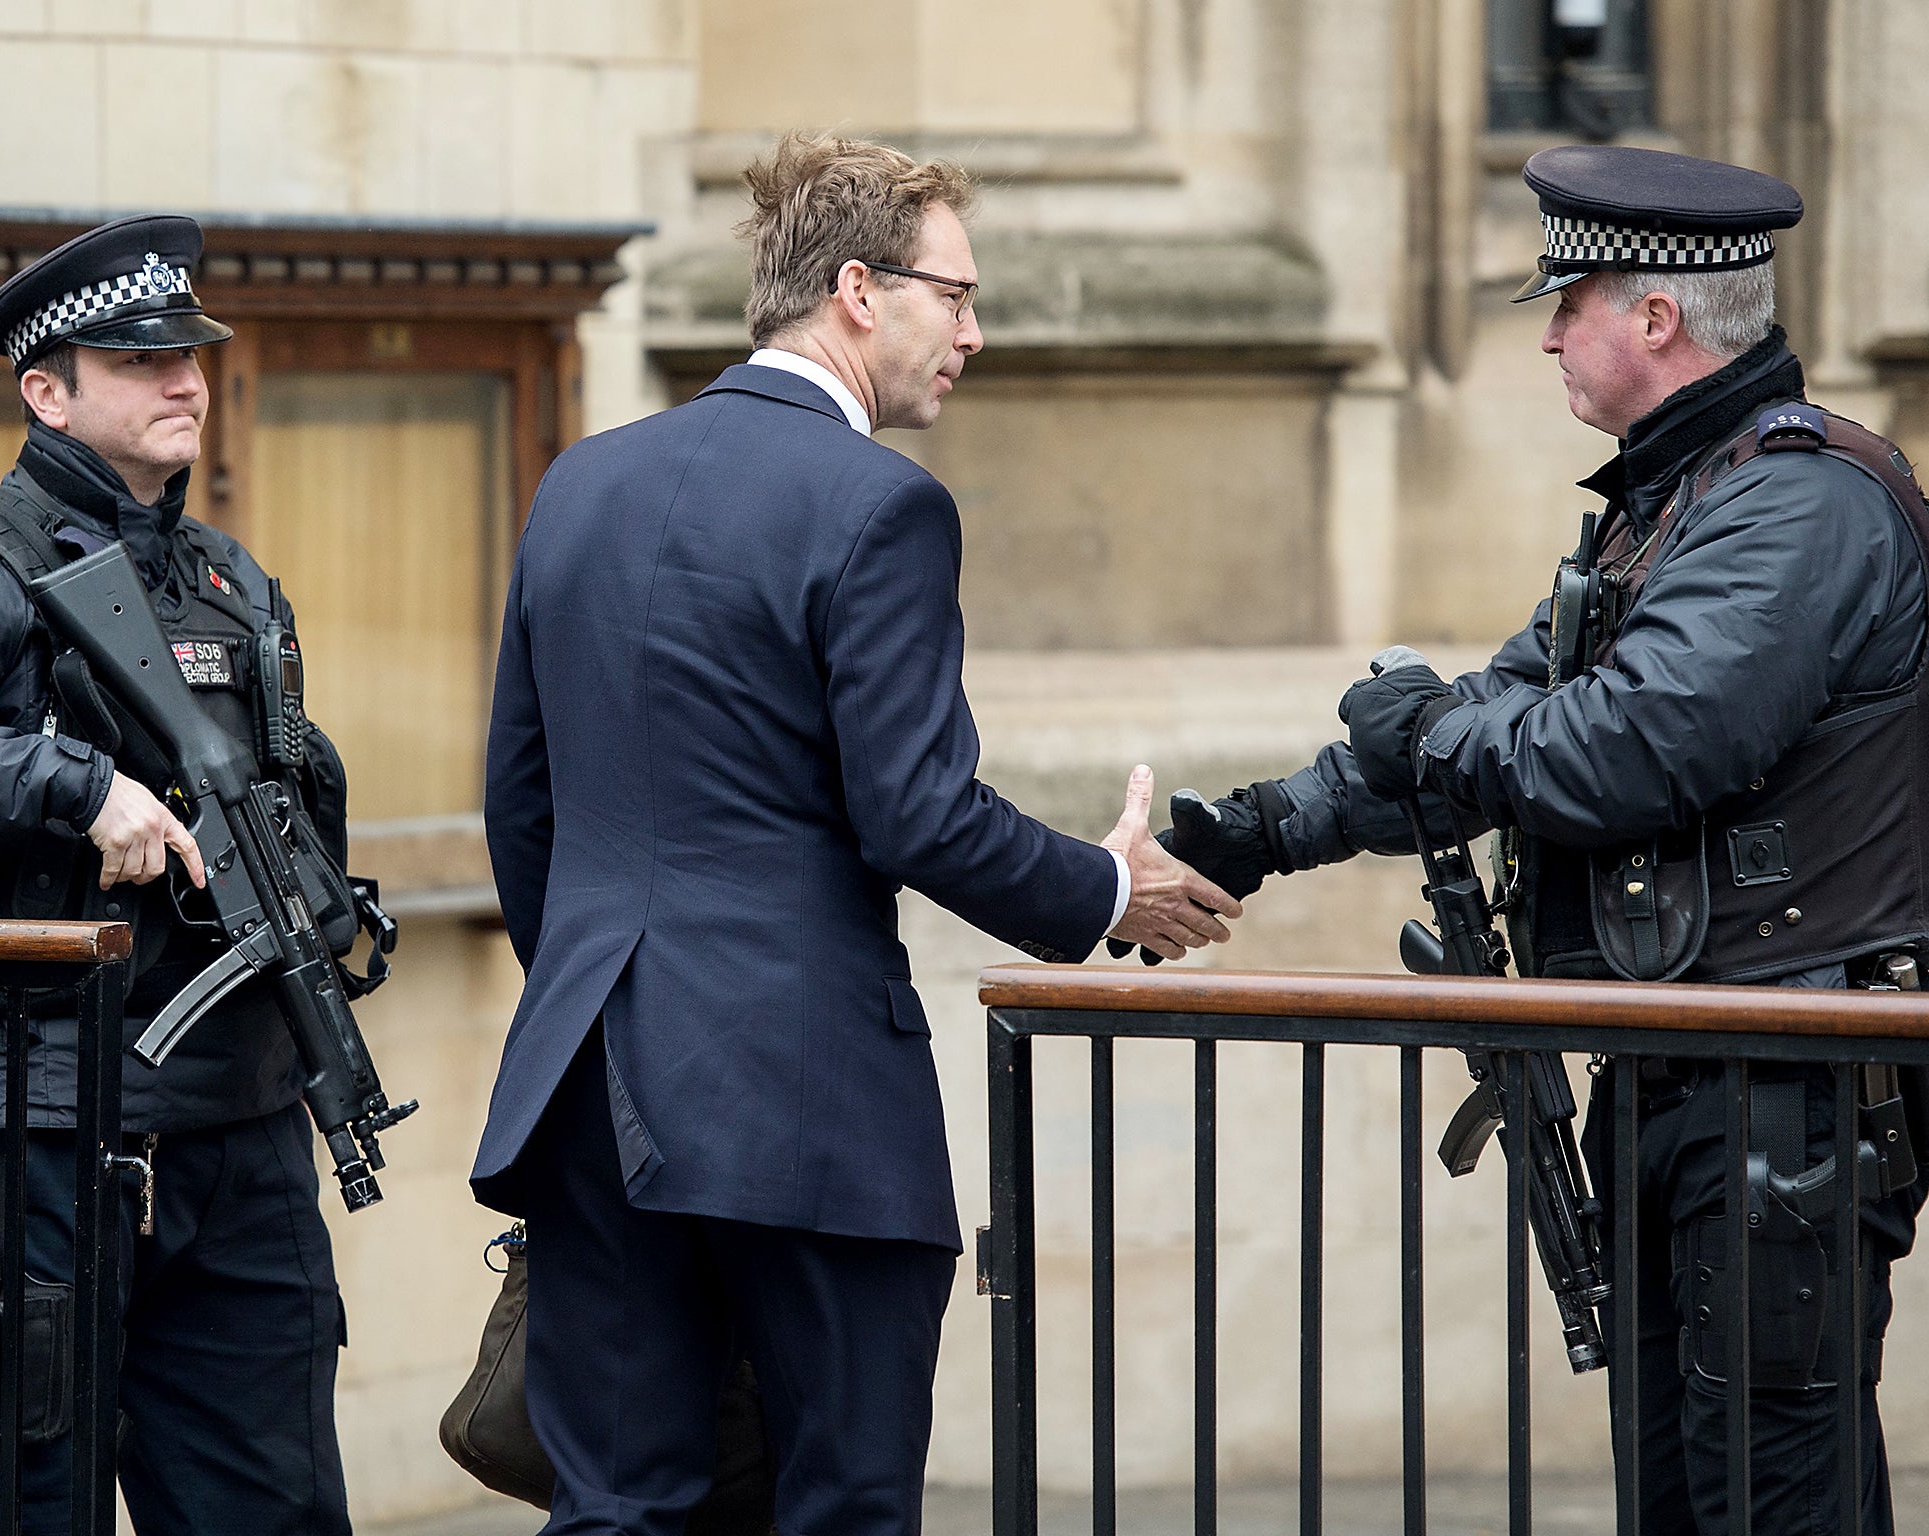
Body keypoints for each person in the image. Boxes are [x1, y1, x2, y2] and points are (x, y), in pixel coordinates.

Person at [476, 130, 1239, 1536]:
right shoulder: (882, 503)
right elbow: (916, 810)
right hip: (802, 1101)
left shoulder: (579, 481)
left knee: (619, 1508)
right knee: (842, 1506)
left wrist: (608, 974)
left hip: (588, 1080)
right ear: (856, 289)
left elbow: (522, 811)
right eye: (955, 296)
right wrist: (1099, 888)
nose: (976, 332)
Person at [1160, 145, 1927, 1535]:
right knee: (1682, 1495)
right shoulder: (1672, 505)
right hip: (1694, 1071)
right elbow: (1487, 730)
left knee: (1770, 1502)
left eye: (1569, 298)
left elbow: (1627, 751)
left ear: (1658, 317)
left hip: (1784, 1083)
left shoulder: (1797, 509)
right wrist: (1258, 832)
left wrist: (1431, 734)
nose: (1550, 328)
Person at [0, 216, 356, 1533]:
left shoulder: (229, 581)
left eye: (192, 356)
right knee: (36, 1503)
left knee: (276, 1505)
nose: (184, 381)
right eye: (139, 360)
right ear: (48, 391)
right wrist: (74, 787)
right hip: (53, 1121)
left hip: (244, 1126)